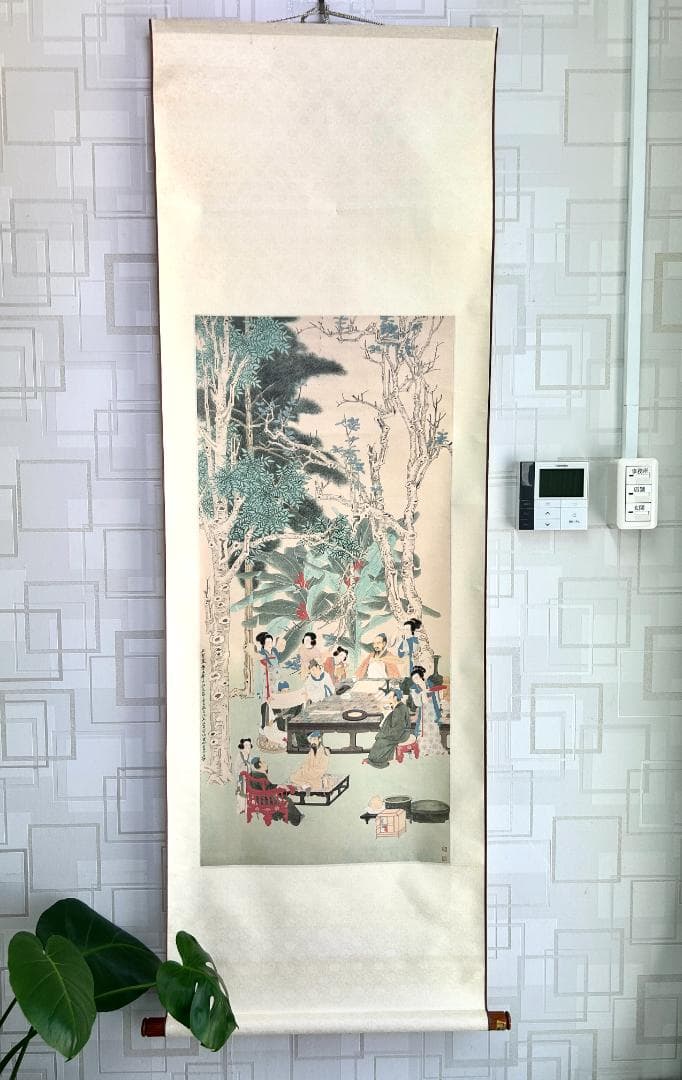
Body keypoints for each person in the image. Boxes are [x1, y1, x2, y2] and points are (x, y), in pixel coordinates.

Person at [362, 684, 411, 769]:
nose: (388, 699)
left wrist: (384, 732)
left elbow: (397, 730)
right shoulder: (398, 706)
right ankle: (374, 759)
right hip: (397, 732)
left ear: (395, 698)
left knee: (381, 741)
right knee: (380, 738)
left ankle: (378, 762)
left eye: (390, 697)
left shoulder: (398, 710)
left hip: (400, 734)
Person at [248, 756, 303, 826]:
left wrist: (279, 786)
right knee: (287, 800)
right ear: (260, 764)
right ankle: (296, 819)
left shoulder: (255, 775)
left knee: (285, 796)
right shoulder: (260, 776)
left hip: (263, 799)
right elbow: (268, 789)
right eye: (264, 762)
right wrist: (279, 787)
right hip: (266, 801)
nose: (266, 764)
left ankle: (293, 817)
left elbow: (267, 787)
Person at [410, 666, 447, 756]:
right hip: (424, 712)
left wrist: (439, 709)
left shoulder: (430, 684)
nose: (415, 680)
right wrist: (422, 693)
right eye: (413, 679)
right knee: (424, 730)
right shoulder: (414, 689)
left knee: (433, 728)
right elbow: (419, 703)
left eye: (416, 677)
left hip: (432, 710)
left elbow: (436, 698)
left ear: (421, 676)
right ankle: (424, 750)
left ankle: (435, 749)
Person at [254, 630, 285, 729]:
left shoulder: (275, 654)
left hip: (276, 685)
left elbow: (278, 670)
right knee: (265, 706)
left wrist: (281, 684)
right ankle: (264, 727)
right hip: (266, 685)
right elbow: (259, 674)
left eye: (271, 642)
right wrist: (259, 690)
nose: (270, 644)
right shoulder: (262, 656)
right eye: (267, 642)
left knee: (278, 707)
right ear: (263, 644)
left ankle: (281, 727)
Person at [235, 737, 253, 814]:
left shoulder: (249, 755)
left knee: (248, 792)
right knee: (241, 793)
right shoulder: (239, 755)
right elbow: (236, 767)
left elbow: (251, 766)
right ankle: (240, 809)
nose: (248, 747)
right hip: (241, 777)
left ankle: (246, 808)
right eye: (246, 745)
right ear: (242, 746)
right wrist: (241, 770)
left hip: (248, 777)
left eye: (249, 745)